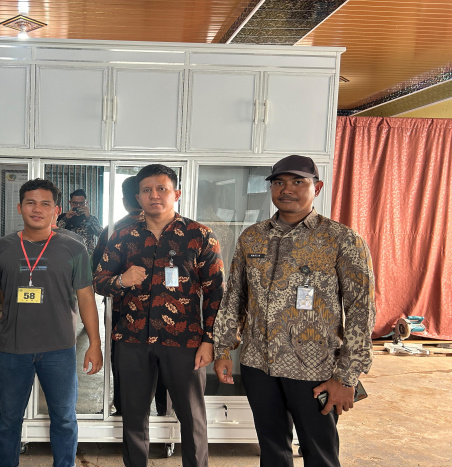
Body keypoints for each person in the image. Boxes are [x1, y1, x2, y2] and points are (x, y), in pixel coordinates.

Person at [213, 155, 376, 467]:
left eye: (298, 182)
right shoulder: (253, 237)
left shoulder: (342, 240)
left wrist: (347, 376)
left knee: (320, 453)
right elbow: (235, 297)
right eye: (279, 182)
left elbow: (361, 311)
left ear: (318, 187)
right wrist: (223, 349)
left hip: (315, 369)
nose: (286, 189)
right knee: (272, 450)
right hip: (259, 365)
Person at [94, 164, 224, 467]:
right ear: (138, 197)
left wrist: (210, 341)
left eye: (161, 189)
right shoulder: (122, 235)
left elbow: (216, 293)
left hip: (184, 341)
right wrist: (121, 280)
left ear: (176, 193)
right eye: (147, 190)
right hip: (132, 339)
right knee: (133, 416)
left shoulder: (199, 235)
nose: (154, 195)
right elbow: (99, 281)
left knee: (192, 416)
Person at [0, 178, 103, 467]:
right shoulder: (0, 249)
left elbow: (86, 297)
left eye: (45, 204)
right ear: (19, 207)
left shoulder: (74, 248)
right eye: (30, 203)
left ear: (56, 210)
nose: (37, 209)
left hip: (60, 349)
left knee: (64, 418)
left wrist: (94, 343)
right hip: (13, 349)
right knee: (9, 419)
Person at [92, 176, 168, 417]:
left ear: (125, 201)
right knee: (165, 366)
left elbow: (97, 273)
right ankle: (164, 412)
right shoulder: (174, 230)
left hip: (123, 314)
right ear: (140, 197)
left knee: (124, 366)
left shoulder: (113, 231)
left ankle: (124, 409)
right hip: (168, 316)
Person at [57, 188, 103, 258]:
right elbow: (56, 233)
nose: (78, 205)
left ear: (86, 203)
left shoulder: (91, 219)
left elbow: (101, 234)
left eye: (81, 203)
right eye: (75, 203)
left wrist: (89, 217)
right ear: (70, 203)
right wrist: (65, 218)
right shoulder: (63, 217)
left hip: (86, 257)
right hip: (67, 256)